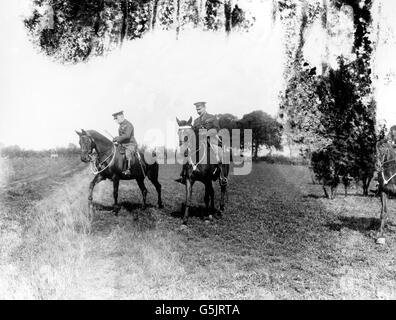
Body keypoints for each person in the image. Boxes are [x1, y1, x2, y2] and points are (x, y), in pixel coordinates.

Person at [175, 101, 226, 184]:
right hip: (199, 141)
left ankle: (222, 176)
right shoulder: (196, 121)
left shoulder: (212, 117)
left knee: (218, 154)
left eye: (200, 109)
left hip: (211, 140)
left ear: (204, 108)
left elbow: (216, 129)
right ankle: (184, 175)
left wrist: (207, 133)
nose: (198, 111)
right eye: (197, 109)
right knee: (187, 153)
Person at [112, 111, 137, 175]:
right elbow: (122, 138)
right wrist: (117, 141)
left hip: (130, 144)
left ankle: (128, 170)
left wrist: (117, 138)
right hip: (123, 144)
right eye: (115, 119)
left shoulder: (128, 124)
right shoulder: (121, 126)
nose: (115, 120)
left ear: (121, 117)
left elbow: (127, 136)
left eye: (116, 118)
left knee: (128, 153)